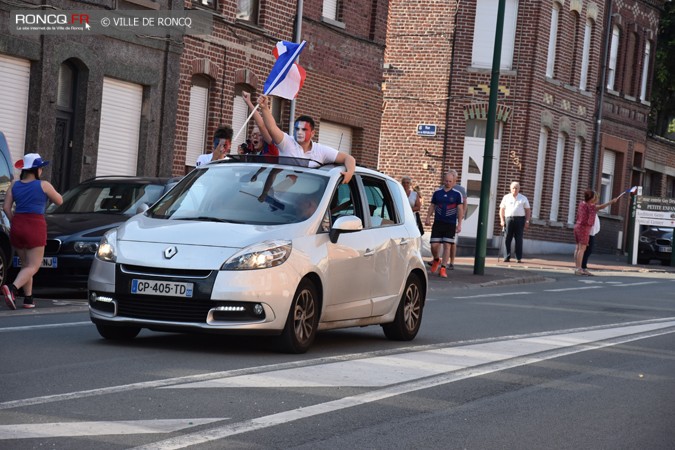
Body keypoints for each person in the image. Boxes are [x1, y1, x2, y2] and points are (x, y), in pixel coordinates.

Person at [2, 153, 63, 310]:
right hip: (35, 225)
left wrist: (14, 220)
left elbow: (6, 208)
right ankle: (12, 288)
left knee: (26, 265)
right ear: (37, 170)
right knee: (34, 266)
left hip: (18, 225)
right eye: (41, 168)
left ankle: (28, 299)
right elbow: (59, 200)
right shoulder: (44, 185)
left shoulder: (14, 185)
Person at [257, 94, 356, 184]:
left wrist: (350, 172)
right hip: (282, 193)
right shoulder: (287, 142)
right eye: (297, 129)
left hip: (310, 196)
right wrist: (265, 108)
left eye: (304, 129)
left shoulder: (320, 150)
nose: (299, 132)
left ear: (313, 133)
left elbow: (348, 158)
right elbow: (271, 127)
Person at [424, 172, 464, 278]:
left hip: (450, 224)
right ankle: (436, 259)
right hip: (438, 222)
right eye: (446, 181)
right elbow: (432, 205)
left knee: (447, 245)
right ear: (443, 180)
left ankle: (443, 268)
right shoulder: (437, 193)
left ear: (454, 182)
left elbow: (460, 209)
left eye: (450, 181)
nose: (448, 183)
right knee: (434, 245)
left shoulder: (457, 194)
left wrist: (459, 224)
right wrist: (428, 217)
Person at [575, 190, 619, 275]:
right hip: (584, 228)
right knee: (582, 249)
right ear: (591, 198)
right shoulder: (590, 206)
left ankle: (578, 267)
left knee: (578, 248)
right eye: (595, 197)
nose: (596, 199)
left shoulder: (582, 204)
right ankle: (579, 269)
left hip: (578, 227)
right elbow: (601, 207)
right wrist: (612, 202)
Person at [499, 182, 531, 263]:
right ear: (510, 189)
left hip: (520, 220)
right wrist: (502, 220)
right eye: (513, 188)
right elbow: (502, 209)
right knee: (507, 238)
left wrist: (527, 221)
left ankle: (518, 257)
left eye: (516, 188)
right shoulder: (506, 197)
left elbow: (527, 210)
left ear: (519, 189)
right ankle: (506, 257)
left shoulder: (523, 198)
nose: (515, 189)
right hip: (508, 219)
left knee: (519, 239)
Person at [242, 92, 279, 157]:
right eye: (253, 135)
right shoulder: (250, 153)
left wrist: (248, 102)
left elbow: (261, 125)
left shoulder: (271, 150)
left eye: (259, 135)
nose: (255, 137)